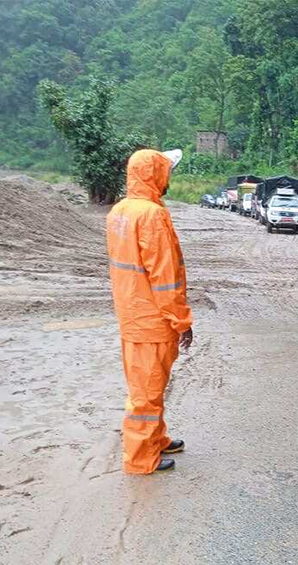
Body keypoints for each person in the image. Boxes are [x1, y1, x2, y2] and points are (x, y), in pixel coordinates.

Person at [106, 148, 194, 474]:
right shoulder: (152, 216)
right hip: (152, 321)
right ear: (154, 174)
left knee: (149, 387)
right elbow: (165, 277)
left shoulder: (121, 211)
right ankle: (141, 459)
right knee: (146, 394)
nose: (169, 176)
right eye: (166, 170)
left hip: (133, 315)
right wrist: (182, 321)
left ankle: (155, 440)